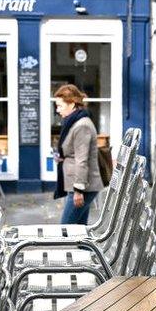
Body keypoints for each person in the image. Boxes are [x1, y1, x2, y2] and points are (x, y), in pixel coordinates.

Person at [53, 84, 104, 225]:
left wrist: (78, 190)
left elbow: (82, 160)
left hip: (82, 187)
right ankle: (85, 248)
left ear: (72, 104)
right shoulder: (74, 122)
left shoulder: (82, 125)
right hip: (79, 185)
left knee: (65, 230)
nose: (57, 110)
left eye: (60, 106)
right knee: (79, 232)